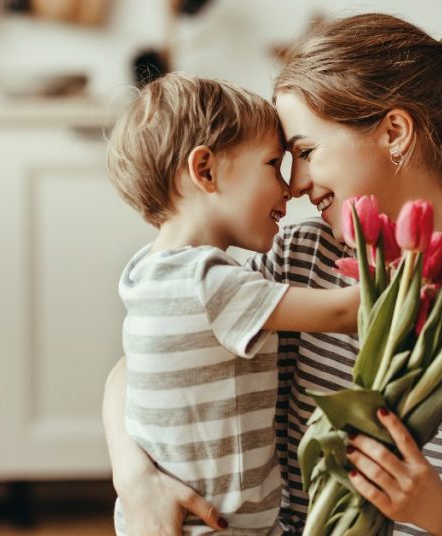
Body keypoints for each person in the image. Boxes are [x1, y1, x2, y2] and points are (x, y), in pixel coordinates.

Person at [104, 14, 442, 536]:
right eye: (283, 162)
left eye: (305, 152)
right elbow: (147, 361)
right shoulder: (301, 257)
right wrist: (134, 479)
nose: (297, 185)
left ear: (394, 133)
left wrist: (429, 507)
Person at [105, 73, 360, 535]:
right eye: (273, 164)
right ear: (205, 170)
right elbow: (345, 313)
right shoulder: (210, 283)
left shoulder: (146, 271)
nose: (288, 189)